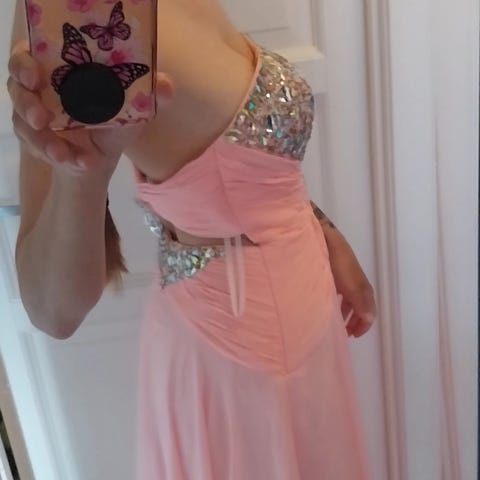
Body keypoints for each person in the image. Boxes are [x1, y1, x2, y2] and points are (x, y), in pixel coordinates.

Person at [8, 0, 377, 478]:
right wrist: (82, 174)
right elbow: (51, 310)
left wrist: (321, 227)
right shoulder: (60, 13)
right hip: (237, 356)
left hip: (301, 303)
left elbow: (240, 150)